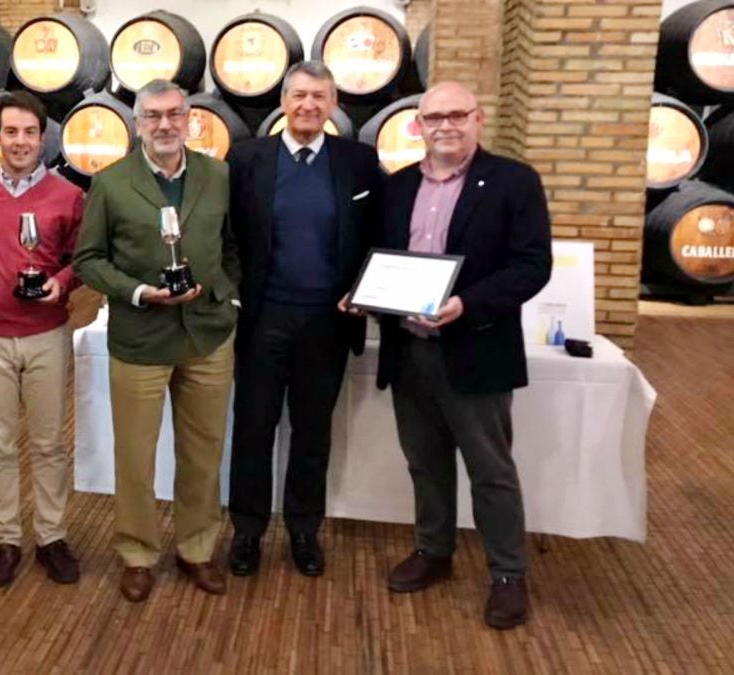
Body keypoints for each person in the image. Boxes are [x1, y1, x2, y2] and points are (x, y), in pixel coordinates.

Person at [366, 81, 551, 629]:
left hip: (476, 348)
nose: (444, 125)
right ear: (418, 125)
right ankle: (434, 551)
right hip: (409, 351)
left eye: (456, 115)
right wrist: (365, 295)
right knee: (425, 462)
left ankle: (508, 574)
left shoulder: (514, 182)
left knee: (491, 471)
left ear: (478, 118)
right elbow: (381, 260)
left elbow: (531, 266)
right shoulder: (396, 187)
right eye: (433, 117)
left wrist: (466, 304)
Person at [74, 79, 240, 603]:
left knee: (203, 452)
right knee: (136, 455)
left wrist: (224, 294)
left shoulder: (217, 175)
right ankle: (137, 553)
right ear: (138, 122)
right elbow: (89, 260)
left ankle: (196, 549)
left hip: (207, 334)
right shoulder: (112, 183)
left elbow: (233, 246)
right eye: (153, 116)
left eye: (174, 114)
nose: (165, 125)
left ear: (190, 118)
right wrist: (140, 292)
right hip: (141, 336)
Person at [225, 61, 382, 578]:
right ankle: (247, 532)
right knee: (253, 429)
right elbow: (228, 236)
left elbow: (375, 236)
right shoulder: (248, 157)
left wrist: (367, 289)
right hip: (264, 317)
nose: (308, 105)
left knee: (313, 433)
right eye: (299, 95)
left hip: (329, 323)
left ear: (334, 103)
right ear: (284, 102)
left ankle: (303, 530)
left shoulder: (359, 162)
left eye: (319, 96)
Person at [0, 91, 84, 588]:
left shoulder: (69, 195)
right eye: (11, 131)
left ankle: (52, 536)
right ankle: (5, 537)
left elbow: (81, 259)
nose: (21, 141)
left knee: (49, 443)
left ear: (42, 135)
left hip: (46, 332)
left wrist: (62, 282)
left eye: (30, 132)